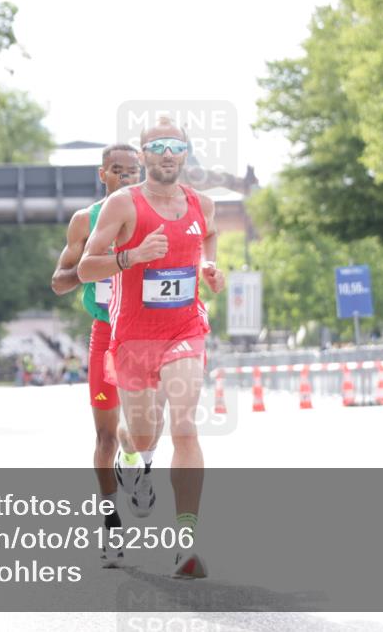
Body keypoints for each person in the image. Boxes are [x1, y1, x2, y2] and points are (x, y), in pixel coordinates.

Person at [78, 118, 225, 578]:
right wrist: (131, 257)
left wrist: (209, 268)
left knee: (184, 427)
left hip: (185, 329)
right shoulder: (123, 204)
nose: (167, 153)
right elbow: (85, 268)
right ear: (143, 156)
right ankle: (129, 455)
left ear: (185, 153)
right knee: (142, 434)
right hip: (133, 337)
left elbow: (209, 238)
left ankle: (186, 544)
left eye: (175, 146)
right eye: (157, 146)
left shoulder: (203, 204)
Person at [52, 143, 166, 568]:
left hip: (146, 332)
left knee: (145, 428)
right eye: (118, 171)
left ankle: (137, 462)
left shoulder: (155, 214)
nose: (126, 178)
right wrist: (92, 262)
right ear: (104, 174)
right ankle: (111, 524)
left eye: (133, 172)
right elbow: (61, 281)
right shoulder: (87, 220)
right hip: (106, 330)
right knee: (104, 434)